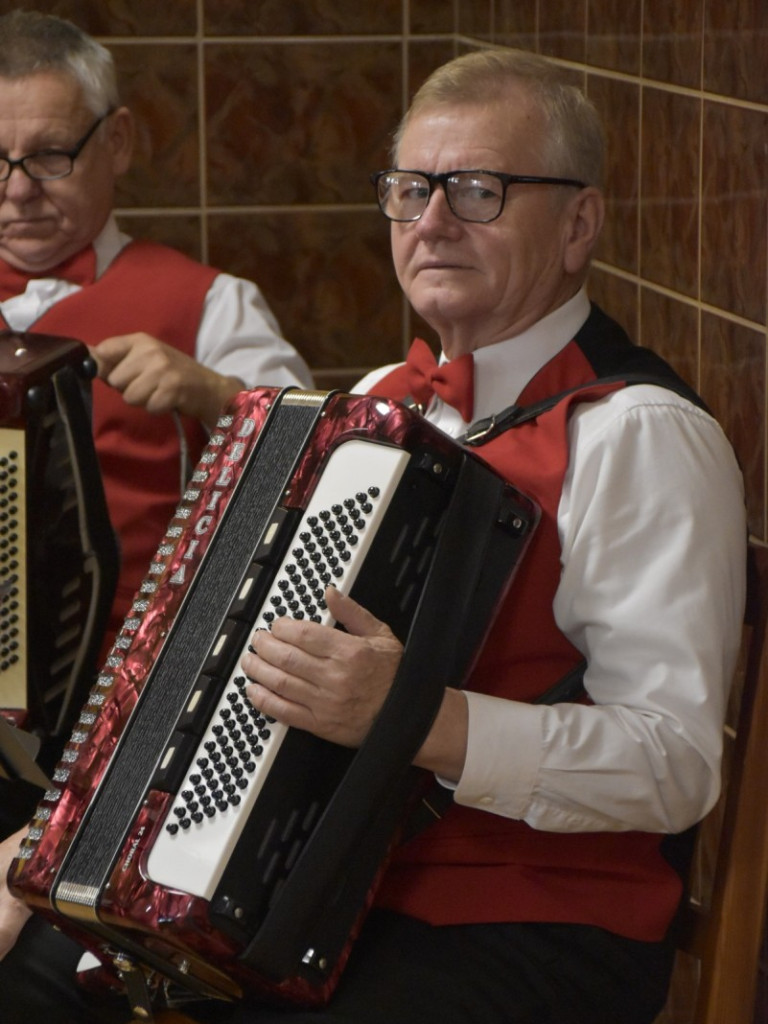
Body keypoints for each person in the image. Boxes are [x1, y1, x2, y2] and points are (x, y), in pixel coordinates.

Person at [0, 47, 747, 1024]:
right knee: (30, 980)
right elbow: (217, 671)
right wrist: (69, 833)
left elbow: (674, 764)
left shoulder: (641, 436)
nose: (432, 222)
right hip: (310, 899)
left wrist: (418, 718)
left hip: (520, 930)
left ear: (578, 224)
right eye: (410, 190)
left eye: (479, 190)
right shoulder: (367, 409)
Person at [0, 9, 312, 654]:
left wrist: (215, 396)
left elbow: (317, 481)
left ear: (117, 142)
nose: (18, 191)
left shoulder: (214, 306)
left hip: (132, 696)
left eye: (49, 156)